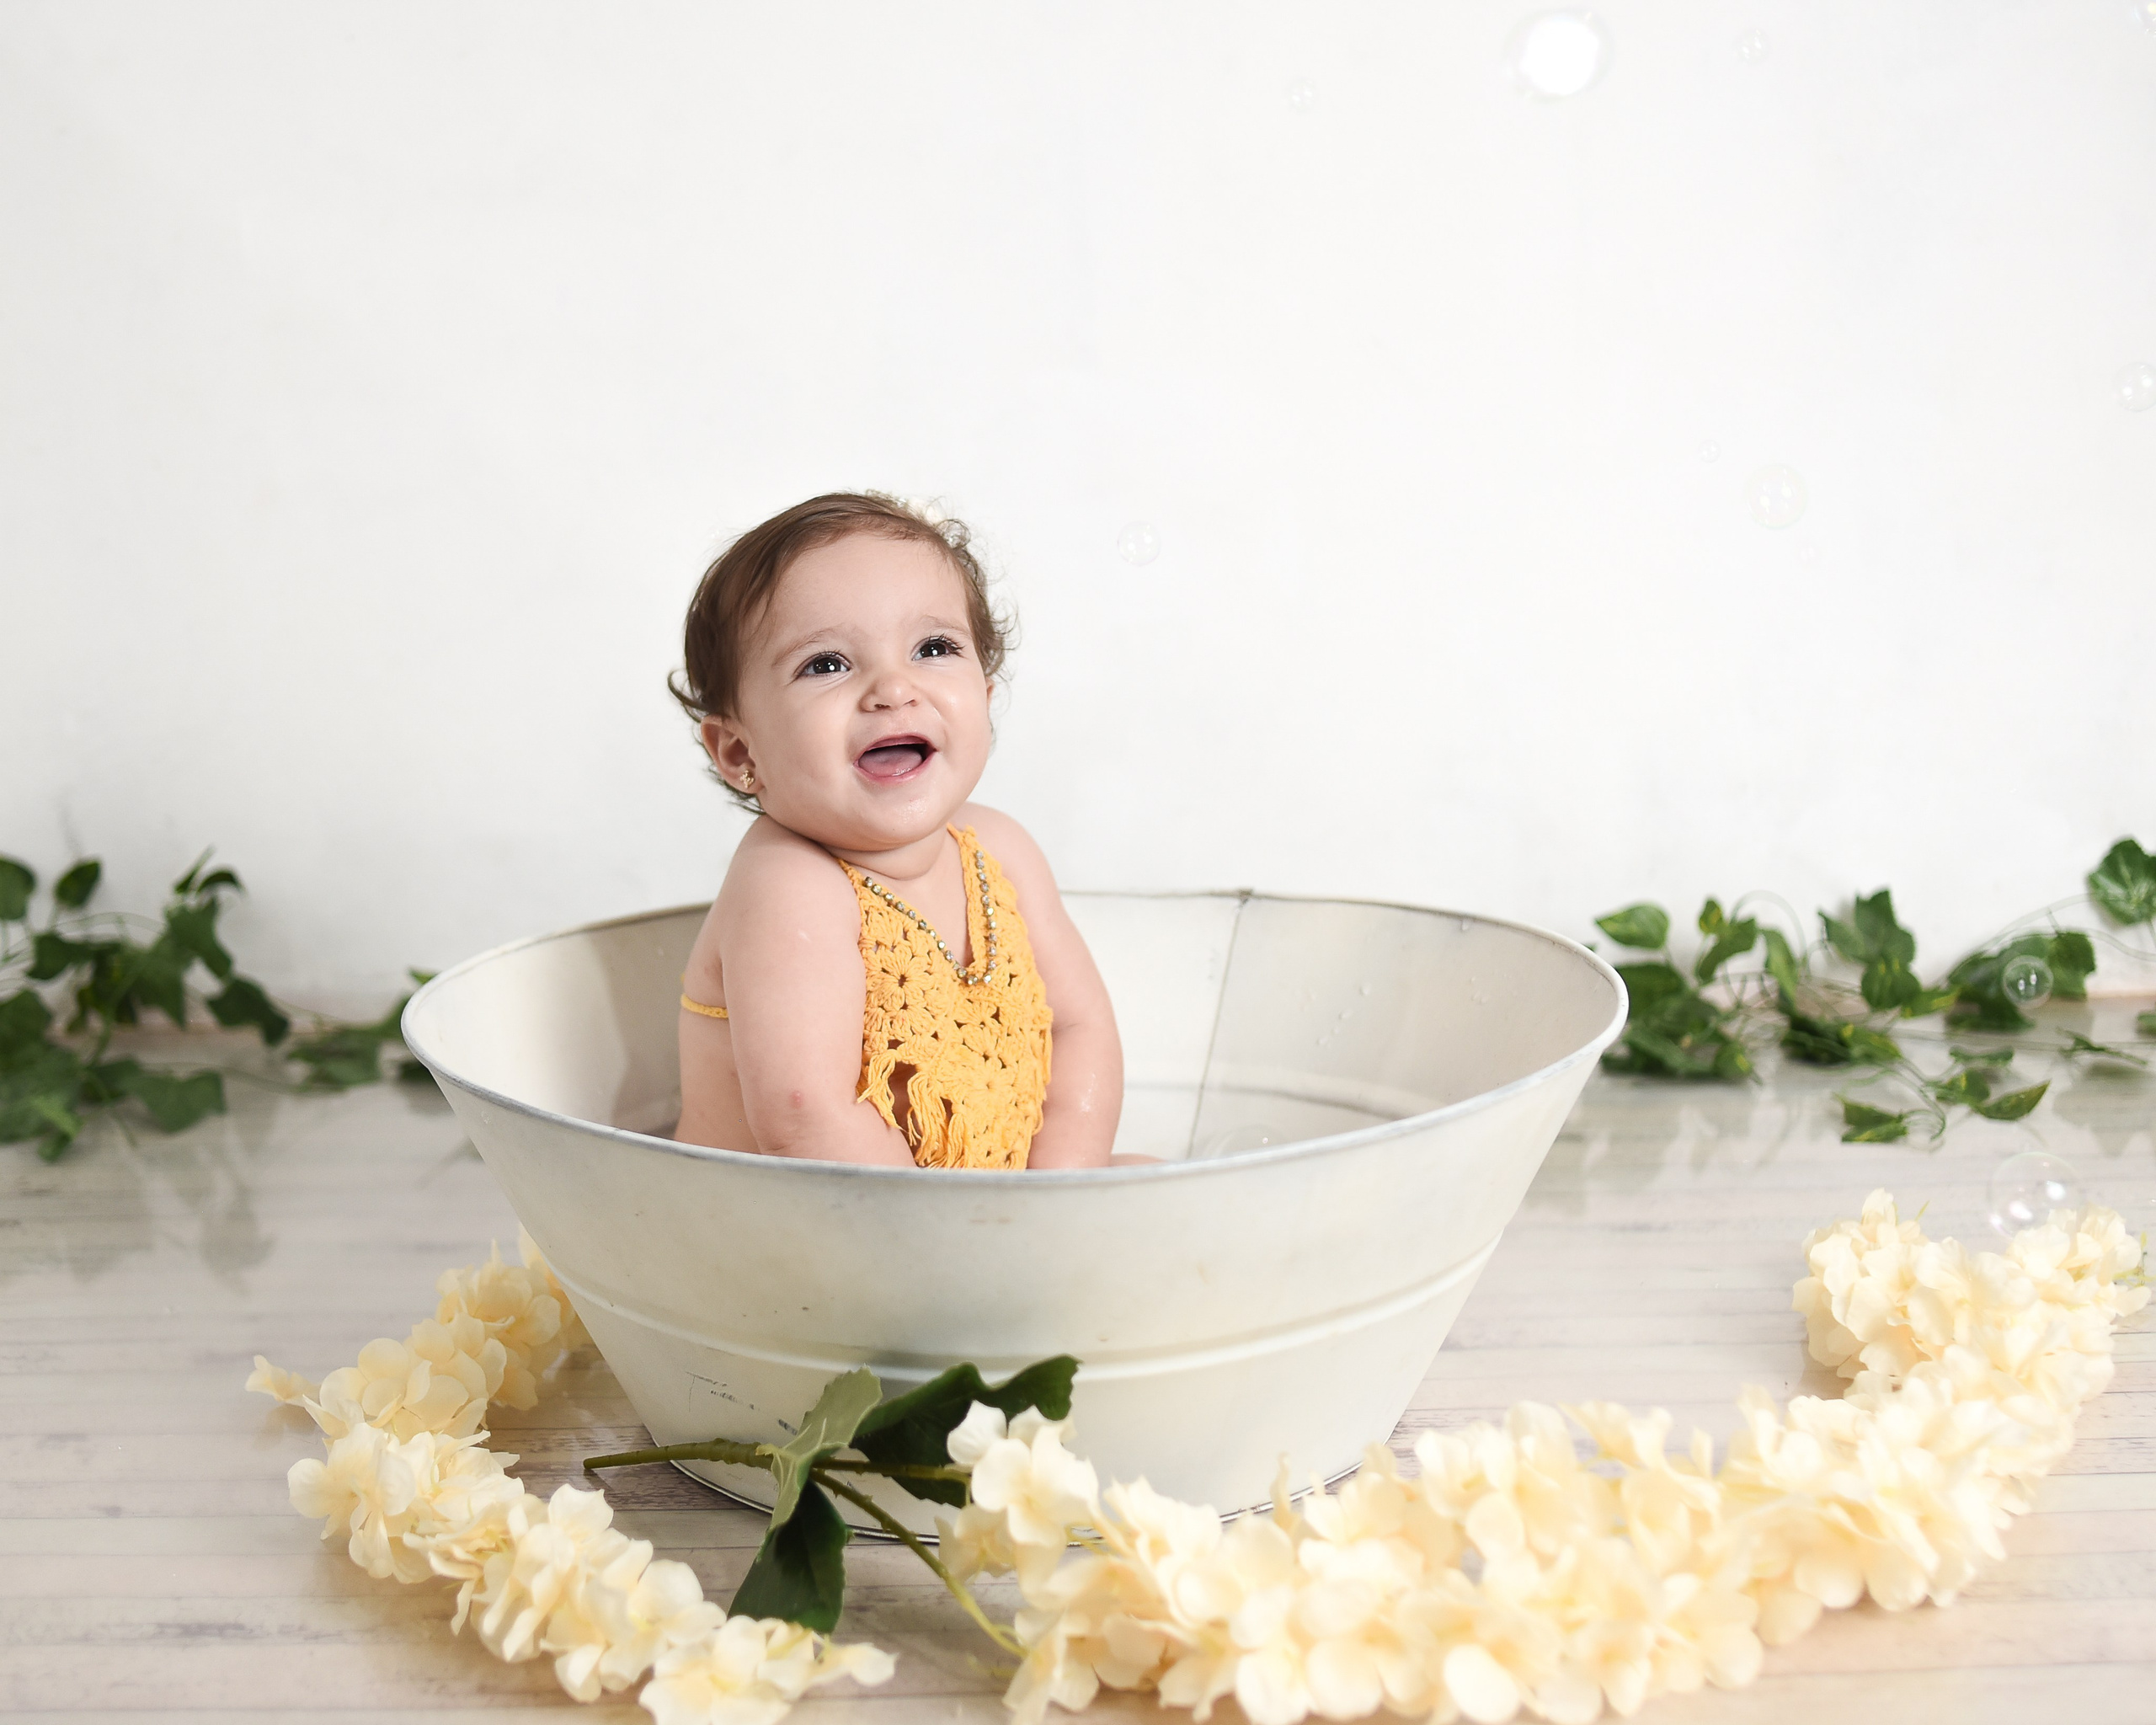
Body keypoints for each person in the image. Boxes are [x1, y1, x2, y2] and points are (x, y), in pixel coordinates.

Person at [668, 493, 1128, 1168]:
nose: (893, 688)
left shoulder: (1002, 851)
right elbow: (809, 1119)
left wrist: (1057, 1199)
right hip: (805, 1230)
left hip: (986, 1218)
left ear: (987, 698)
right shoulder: (792, 884)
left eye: (933, 648)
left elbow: (1080, 1029)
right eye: (826, 663)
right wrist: (957, 1251)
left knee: (1173, 1195)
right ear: (742, 754)